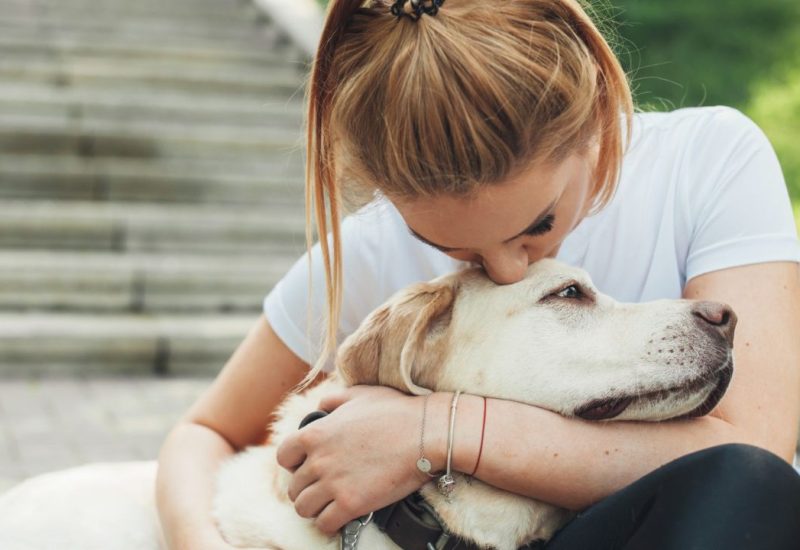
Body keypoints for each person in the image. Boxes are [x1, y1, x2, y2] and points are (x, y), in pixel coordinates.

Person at [155, 0, 800, 548]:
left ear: (593, 112)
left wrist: (437, 430)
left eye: (538, 222)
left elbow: (752, 455)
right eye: (447, 245)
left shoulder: (706, 164)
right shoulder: (371, 250)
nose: (510, 266)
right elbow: (204, 431)